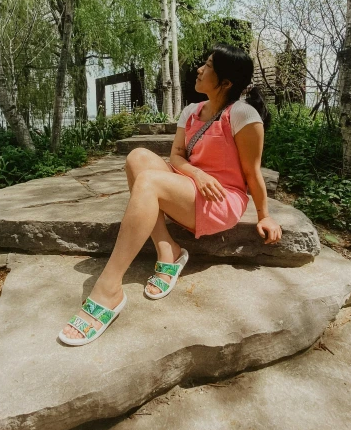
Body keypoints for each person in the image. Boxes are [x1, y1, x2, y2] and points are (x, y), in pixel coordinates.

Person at [59, 43, 282, 345]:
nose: (199, 69)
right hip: (189, 184)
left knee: (150, 182)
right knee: (137, 157)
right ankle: (169, 251)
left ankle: (109, 287)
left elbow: (253, 173)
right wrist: (197, 173)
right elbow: (177, 157)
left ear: (226, 82)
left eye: (208, 66)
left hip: (220, 198)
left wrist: (265, 215)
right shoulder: (191, 111)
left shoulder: (243, 115)